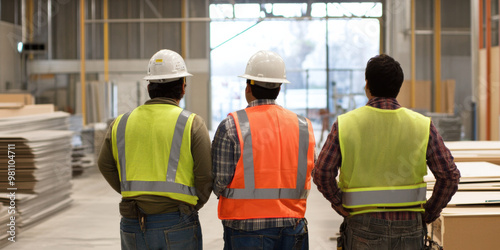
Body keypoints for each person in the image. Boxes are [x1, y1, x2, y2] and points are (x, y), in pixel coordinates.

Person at [313, 54, 461, 250]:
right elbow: (450, 176)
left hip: (361, 226)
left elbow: (322, 172)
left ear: (367, 85)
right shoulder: (422, 125)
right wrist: (429, 212)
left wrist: (338, 202)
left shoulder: (345, 124)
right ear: (398, 87)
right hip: (410, 227)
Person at [98, 49, 212, 250]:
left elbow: (105, 164)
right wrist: (193, 205)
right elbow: (205, 176)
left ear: (149, 86)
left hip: (133, 221)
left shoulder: (121, 123)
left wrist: (129, 191)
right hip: (177, 220)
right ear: (183, 87)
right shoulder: (192, 124)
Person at [212, 50, 316, 250]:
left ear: (248, 87)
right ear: (279, 88)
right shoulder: (303, 126)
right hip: (292, 225)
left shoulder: (232, 125)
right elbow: (313, 171)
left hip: (245, 229)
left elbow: (219, 181)